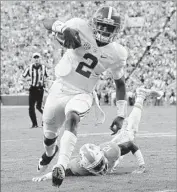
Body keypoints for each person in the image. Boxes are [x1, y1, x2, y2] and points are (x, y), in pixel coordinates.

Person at [39, 6, 128, 187]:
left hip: (83, 93)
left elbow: (120, 83)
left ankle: (61, 166)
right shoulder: (79, 26)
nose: (104, 30)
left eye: (109, 28)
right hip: (60, 87)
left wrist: (121, 114)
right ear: (94, 23)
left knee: (73, 116)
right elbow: (45, 22)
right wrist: (63, 29)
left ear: (115, 31)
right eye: (101, 26)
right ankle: (49, 153)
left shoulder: (117, 53)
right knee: (49, 136)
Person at [32, 88, 161, 182]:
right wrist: (45, 177)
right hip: (107, 150)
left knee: (130, 131)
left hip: (113, 145)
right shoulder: (79, 167)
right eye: (98, 166)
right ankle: (140, 96)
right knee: (129, 128)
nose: (101, 168)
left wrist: (141, 166)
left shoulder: (112, 152)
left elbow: (131, 145)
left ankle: (141, 95)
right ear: (85, 166)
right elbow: (62, 170)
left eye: (100, 164)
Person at [22, 52, 48, 128]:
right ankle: (34, 124)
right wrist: (26, 83)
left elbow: (47, 77)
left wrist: (45, 85)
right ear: (33, 59)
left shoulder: (43, 67)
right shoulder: (29, 68)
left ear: (40, 59)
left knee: (39, 107)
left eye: (37, 57)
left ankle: (46, 120)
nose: (36, 59)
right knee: (31, 107)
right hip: (32, 89)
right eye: (35, 58)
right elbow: (23, 76)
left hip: (40, 89)